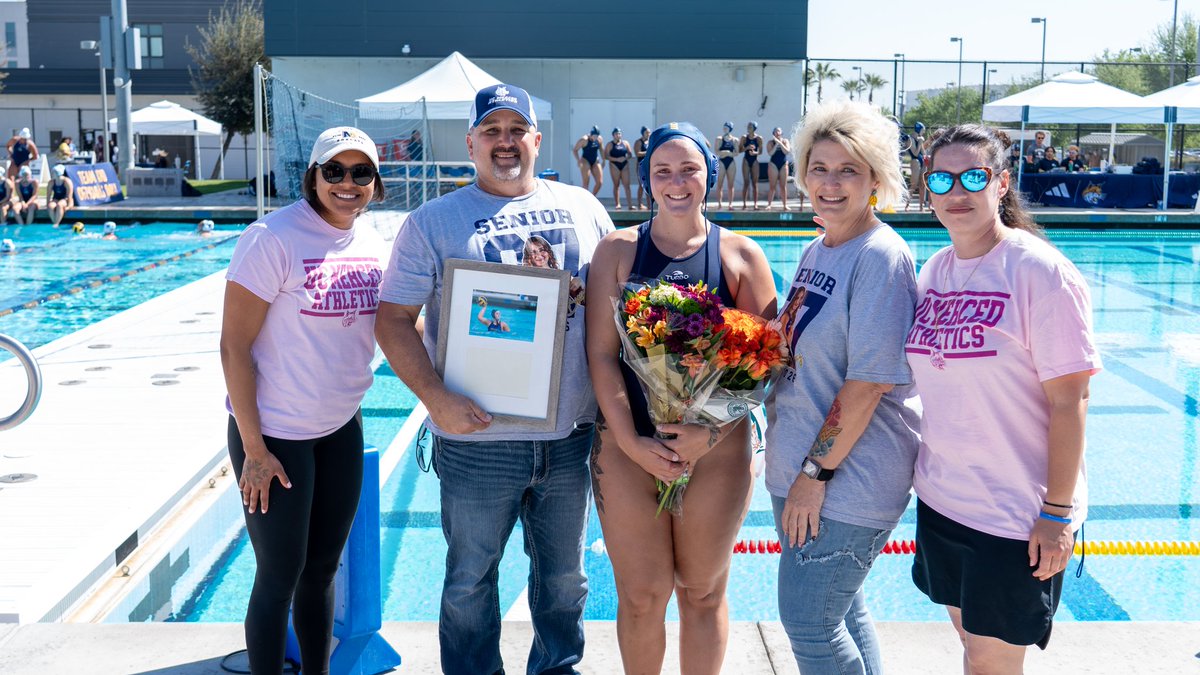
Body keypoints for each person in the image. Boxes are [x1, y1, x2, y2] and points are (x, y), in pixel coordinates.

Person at [374, 83, 613, 675]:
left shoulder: (583, 207)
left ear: (536, 138)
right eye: (491, 131)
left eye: (516, 130)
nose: (504, 142)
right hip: (476, 438)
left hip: (570, 436)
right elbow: (392, 320)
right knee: (469, 581)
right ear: (471, 143)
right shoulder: (433, 221)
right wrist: (435, 398)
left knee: (565, 579)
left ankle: (556, 668)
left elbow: (616, 307)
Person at [585, 122, 777, 674]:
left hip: (715, 452)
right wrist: (630, 440)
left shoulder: (741, 256)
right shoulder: (617, 252)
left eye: (689, 169)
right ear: (646, 179)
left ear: (709, 177)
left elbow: (763, 362)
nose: (676, 182)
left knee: (701, 591)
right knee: (642, 595)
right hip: (627, 448)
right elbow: (601, 354)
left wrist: (708, 433)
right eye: (662, 171)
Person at [909, 124, 1100, 673]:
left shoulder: (1039, 271)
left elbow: (1072, 402)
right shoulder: (935, 271)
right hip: (944, 500)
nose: (955, 192)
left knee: (992, 664)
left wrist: (1056, 515)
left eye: (973, 176)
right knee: (973, 651)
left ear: (1001, 183)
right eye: (941, 178)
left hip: (1015, 515)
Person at [219, 125, 389, 675]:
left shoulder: (370, 240)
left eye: (360, 172)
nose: (347, 183)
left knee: (321, 569)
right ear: (312, 177)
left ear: (375, 183)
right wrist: (253, 448)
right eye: (333, 171)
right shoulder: (273, 238)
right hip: (275, 435)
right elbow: (233, 347)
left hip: (340, 427)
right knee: (279, 574)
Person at [765, 99, 920, 674]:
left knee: (809, 624)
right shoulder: (819, 247)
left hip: (843, 480)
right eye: (819, 168)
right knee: (843, 615)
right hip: (803, 470)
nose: (830, 184)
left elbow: (869, 383)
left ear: (876, 180)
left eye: (848, 170)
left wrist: (812, 478)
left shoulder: (880, 256)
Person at [606, 128, 635, 210]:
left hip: (624, 165)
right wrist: (617, 159)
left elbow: (630, 154)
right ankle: (617, 203)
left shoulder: (625, 143)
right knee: (616, 185)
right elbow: (606, 156)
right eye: (616, 134)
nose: (618, 135)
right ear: (613, 135)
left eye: (619, 134)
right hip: (614, 165)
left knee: (627, 185)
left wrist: (625, 157)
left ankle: (630, 205)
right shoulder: (610, 144)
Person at [765, 126, 792, 210]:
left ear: (781, 133)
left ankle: (785, 205)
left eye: (778, 131)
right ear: (773, 133)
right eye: (775, 131)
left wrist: (780, 143)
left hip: (783, 164)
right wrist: (776, 144)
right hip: (773, 164)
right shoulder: (770, 143)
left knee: (783, 186)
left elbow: (786, 151)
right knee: (772, 186)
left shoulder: (785, 141)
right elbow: (770, 153)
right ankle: (769, 204)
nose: (777, 133)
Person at [739, 121, 764, 209]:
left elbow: (760, 152)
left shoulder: (759, 138)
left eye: (750, 126)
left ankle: (755, 204)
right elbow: (739, 150)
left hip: (754, 161)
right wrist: (747, 148)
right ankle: (744, 204)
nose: (748, 128)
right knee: (746, 182)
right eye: (748, 126)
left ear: (754, 128)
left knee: (754, 183)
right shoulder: (744, 138)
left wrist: (754, 153)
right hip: (746, 160)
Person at [573, 125, 605, 195]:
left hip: (595, 160)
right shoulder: (584, 139)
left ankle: (592, 197)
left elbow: (602, 150)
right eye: (594, 136)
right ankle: (584, 200)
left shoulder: (599, 139)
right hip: (585, 160)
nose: (595, 137)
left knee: (599, 182)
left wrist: (604, 160)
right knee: (586, 182)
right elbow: (575, 150)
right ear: (591, 134)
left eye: (597, 136)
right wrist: (578, 160)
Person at [714, 121, 739, 210]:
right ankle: (720, 204)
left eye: (727, 128)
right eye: (724, 127)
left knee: (730, 185)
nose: (725, 129)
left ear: (730, 129)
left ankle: (730, 204)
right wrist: (726, 152)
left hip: (731, 162)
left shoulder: (735, 140)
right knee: (720, 184)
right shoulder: (719, 139)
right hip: (722, 162)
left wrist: (727, 153)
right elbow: (717, 152)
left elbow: (736, 153)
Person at [907, 121, 927, 211]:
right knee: (914, 185)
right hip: (915, 162)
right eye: (923, 130)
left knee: (922, 185)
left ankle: (921, 207)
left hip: (922, 161)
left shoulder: (920, 139)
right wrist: (919, 143)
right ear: (919, 130)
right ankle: (907, 205)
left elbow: (923, 153)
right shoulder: (910, 139)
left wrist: (922, 143)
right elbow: (915, 153)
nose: (923, 133)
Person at [634, 126, 653, 209]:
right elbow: (637, 153)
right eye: (647, 132)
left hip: (649, 165)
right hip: (641, 165)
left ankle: (649, 205)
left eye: (649, 132)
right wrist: (648, 152)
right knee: (641, 185)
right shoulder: (638, 142)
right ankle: (640, 203)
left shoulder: (650, 141)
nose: (648, 134)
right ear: (643, 133)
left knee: (649, 185)